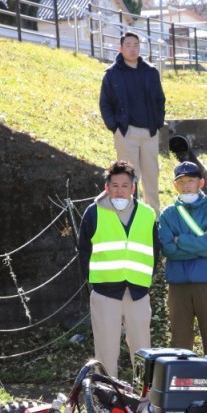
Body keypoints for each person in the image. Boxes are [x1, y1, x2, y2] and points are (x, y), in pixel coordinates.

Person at [77, 160, 159, 380]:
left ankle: (145, 403)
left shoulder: (147, 214)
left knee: (143, 352)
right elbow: (83, 250)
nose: (120, 190)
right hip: (105, 293)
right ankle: (105, 399)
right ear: (106, 187)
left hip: (138, 292)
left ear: (133, 188)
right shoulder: (93, 213)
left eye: (125, 185)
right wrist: (94, 281)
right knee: (105, 352)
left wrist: (145, 280)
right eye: (115, 185)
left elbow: (155, 251)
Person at [158, 161, 207, 354]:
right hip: (178, 285)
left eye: (191, 180)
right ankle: (181, 382)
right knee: (179, 342)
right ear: (175, 185)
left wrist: (180, 239)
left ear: (201, 183)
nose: (187, 185)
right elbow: (168, 249)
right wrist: (201, 241)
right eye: (182, 181)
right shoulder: (168, 214)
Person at [99, 32, 167, 214]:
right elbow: (105, 103)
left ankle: (154, 218)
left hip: (150, 132)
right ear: (120, 49)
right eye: (128, 45)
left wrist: (158, 122)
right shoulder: (112, 74)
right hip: (126, 132)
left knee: (151, 176)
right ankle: (129, 215)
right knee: (128, 178)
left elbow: (160, 99)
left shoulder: (150, 71)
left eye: (135, 44)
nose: (132, 48)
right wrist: (115, 127)